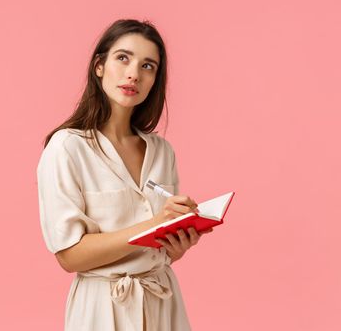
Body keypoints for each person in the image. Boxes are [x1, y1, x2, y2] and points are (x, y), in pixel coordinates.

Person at [36, 19, 214, 331]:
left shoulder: (162, 151)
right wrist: (153, 225)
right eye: (123, 58)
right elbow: (70, 256)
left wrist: (176, 244)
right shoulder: (67, 149)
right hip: (103, 309)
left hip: (164, 303)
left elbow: (157, 250)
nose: (134, 73)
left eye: (148, 66)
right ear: (99, 66)